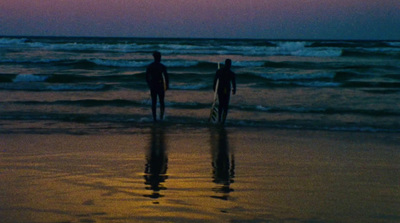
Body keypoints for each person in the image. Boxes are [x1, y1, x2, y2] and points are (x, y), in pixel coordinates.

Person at [146, 51, 169, 122]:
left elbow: (147, 77)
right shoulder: (162, 66)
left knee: (154, 102)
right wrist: (167, 85)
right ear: (159, 57)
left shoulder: (150, 66)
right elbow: (166, 77)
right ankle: (161, 117)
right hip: (160, 85)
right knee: (162, 102)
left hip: (153, 85)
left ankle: (154, 118)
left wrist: (149, 85)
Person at [213, 59, 236, 124]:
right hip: (224, 89)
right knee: (224, 105)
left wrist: (214, 88)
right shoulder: (230, 73)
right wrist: (234, 89)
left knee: (222, 105)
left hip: (222, 89)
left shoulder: (220, 71)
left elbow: (215, 80)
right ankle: (221, 120)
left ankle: (221, 119)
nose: (229, 65)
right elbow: (233, 83)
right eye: (229, 64)